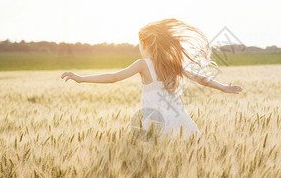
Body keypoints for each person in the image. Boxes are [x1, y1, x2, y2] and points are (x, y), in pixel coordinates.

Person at [61, 18, 243, 140]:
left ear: (145, 44)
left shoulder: (142, 64)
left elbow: (113, 77)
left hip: (156, 120)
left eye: (139, 43)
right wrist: (224, 88)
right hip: (178, 117)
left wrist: (81, 78)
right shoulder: (172, 64)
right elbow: (201, 79)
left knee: (156, 156)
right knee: (185, 154)